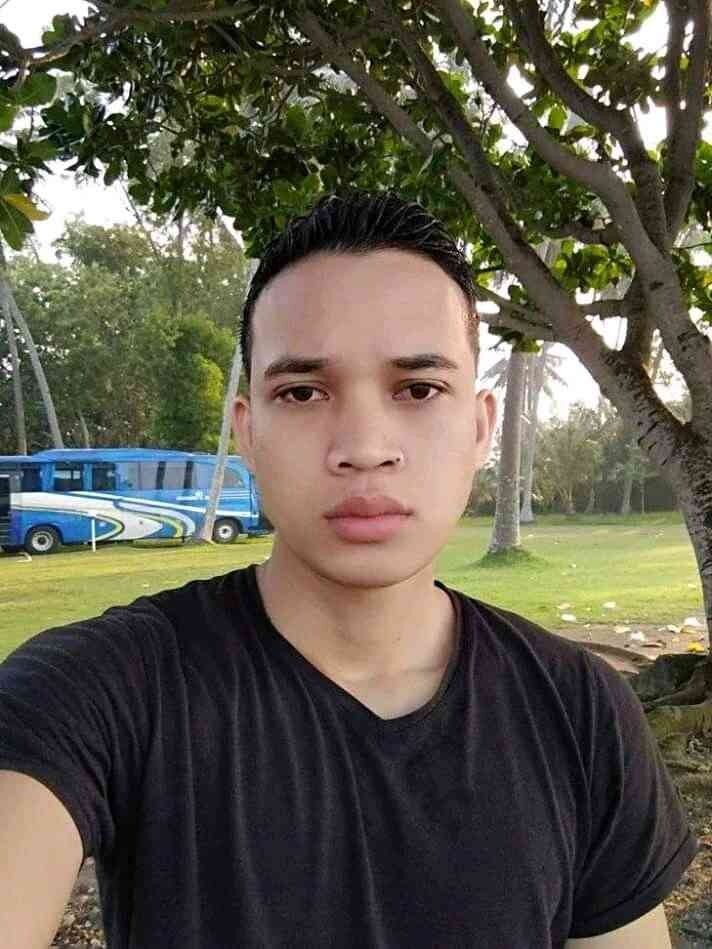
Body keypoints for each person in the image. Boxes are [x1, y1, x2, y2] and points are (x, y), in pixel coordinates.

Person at [0, 191, 698, 949]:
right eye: (303, 392)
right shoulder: (102, 690)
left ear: (479, 427)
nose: (364, 447)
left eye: (418, 389)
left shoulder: (580, 710)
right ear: (249, 432)